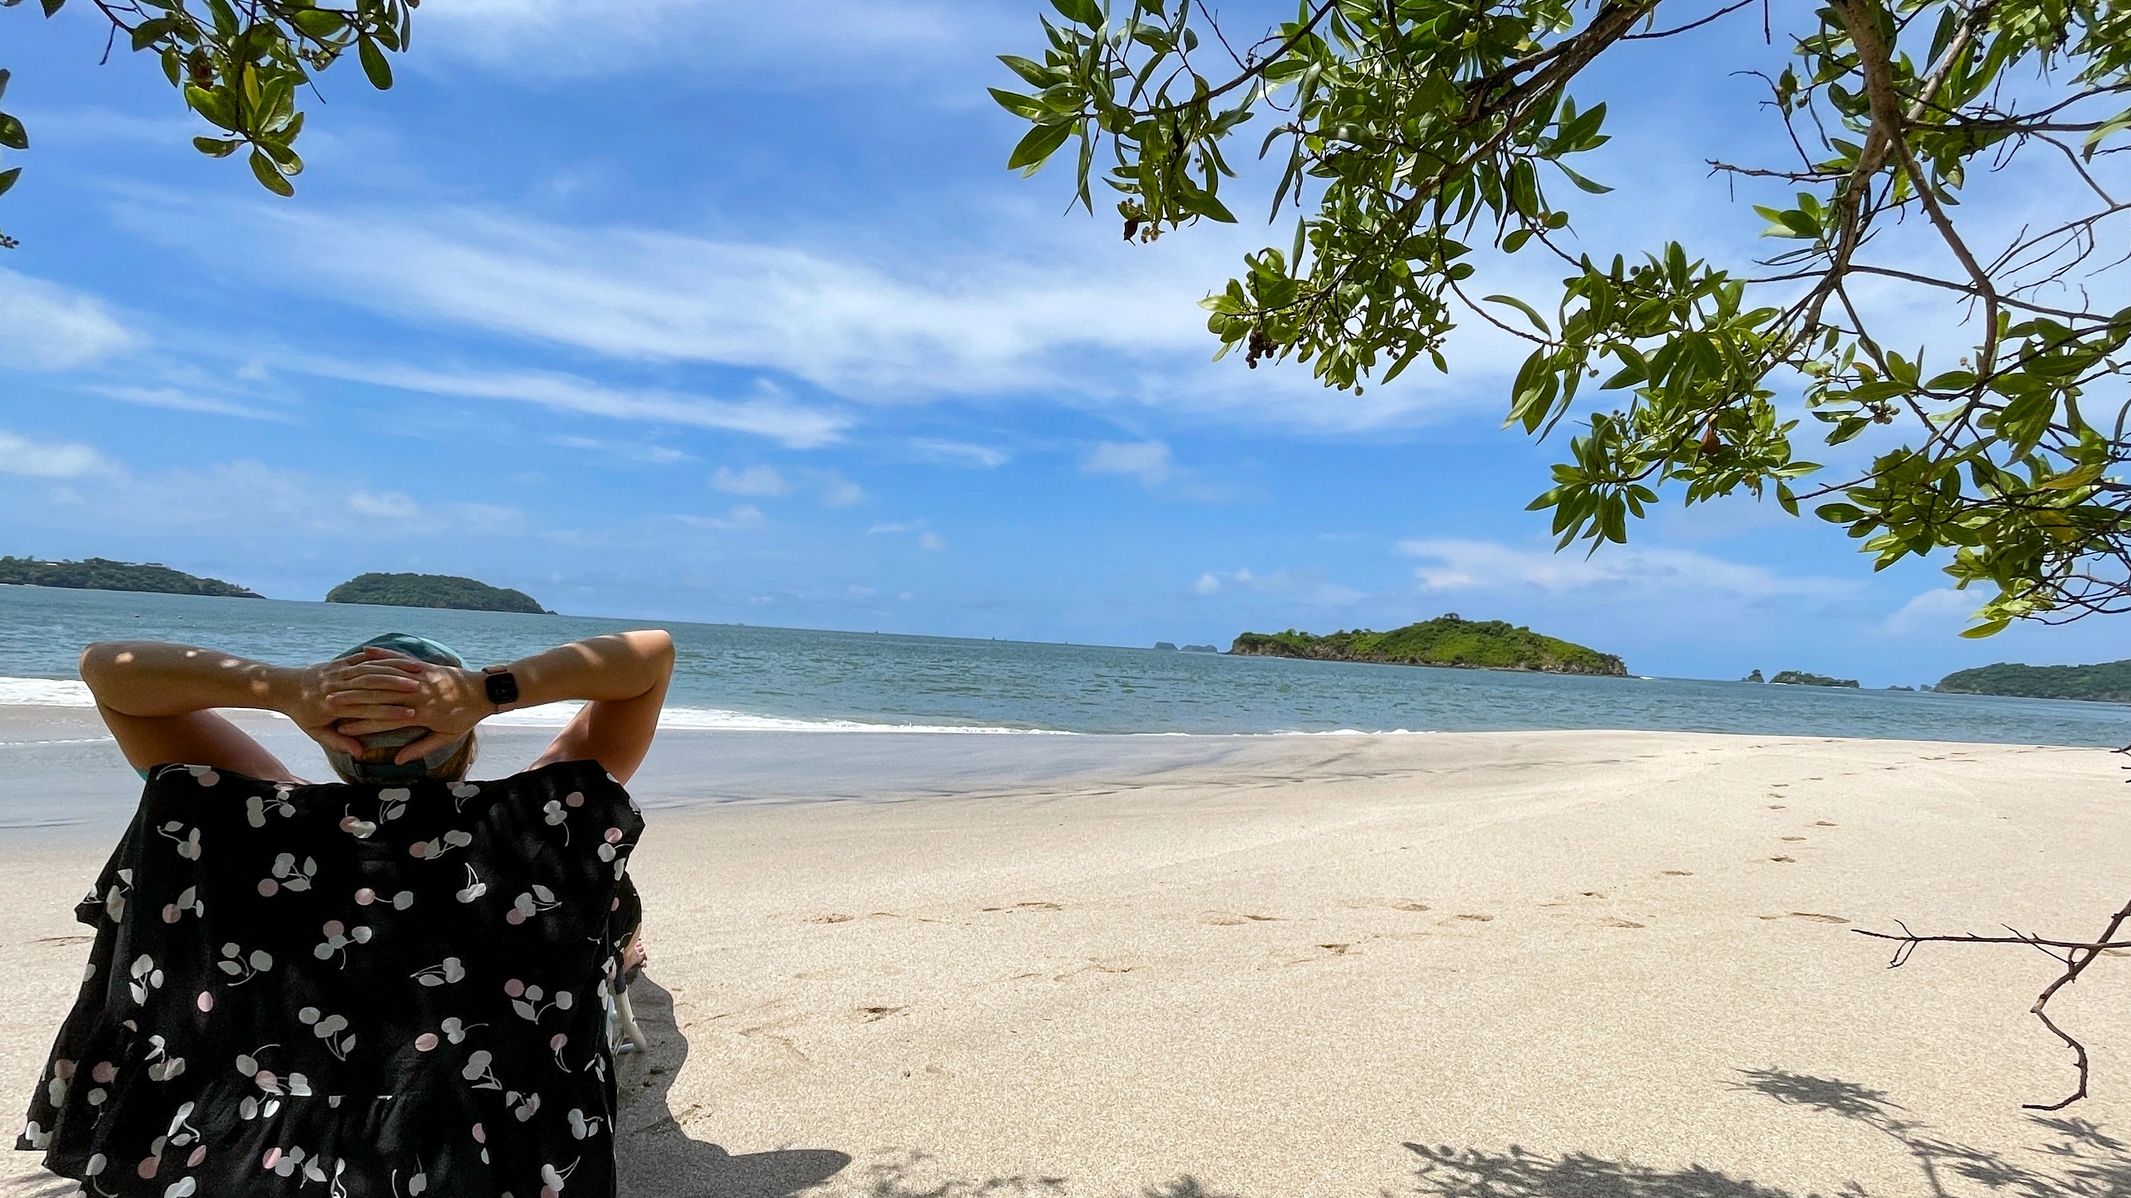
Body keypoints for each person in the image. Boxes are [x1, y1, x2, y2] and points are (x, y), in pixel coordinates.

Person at [17, 628, 675, 1197]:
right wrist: (488, 689)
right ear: (465, 744)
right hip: (488, 1164)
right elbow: (649, 658)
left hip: (256, 1166)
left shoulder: (251, 823)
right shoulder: (544, 823)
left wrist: (284, 689)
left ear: (332, 742)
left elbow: (108, 667)